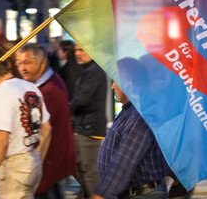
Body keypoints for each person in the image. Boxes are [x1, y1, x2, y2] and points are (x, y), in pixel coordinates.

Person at [0, 44, 52, 198]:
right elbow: (47, 129)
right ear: (8, 64)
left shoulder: (1, 94)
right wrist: (38, 159)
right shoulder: (29, 86)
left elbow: (1, 140)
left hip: (13, 167)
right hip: (32, 161)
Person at [92, 58, 168, 199]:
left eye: (115, 81)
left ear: (128, 82)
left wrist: (101, 194)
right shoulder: (131, 111)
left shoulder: (141, 115)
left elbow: (125, 160)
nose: (112, 87)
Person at [16, 44, 77, 199]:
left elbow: (42, 130)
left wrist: (34, 164)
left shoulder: (49, 90)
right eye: (19, 63)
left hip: (50, 162)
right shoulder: (43, 85)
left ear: (42, 63)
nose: (22, 68)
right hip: (49, 162)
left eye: (27, 62)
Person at [71, 43, 108, 198]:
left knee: (90, 170)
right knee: (80, 167)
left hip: (89, 128)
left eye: (81, 50)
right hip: (85, 126)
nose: (77, 54)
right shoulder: (90, 70)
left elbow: (82, 100)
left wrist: (65, 109)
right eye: (76, 50)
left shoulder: (93, 72)